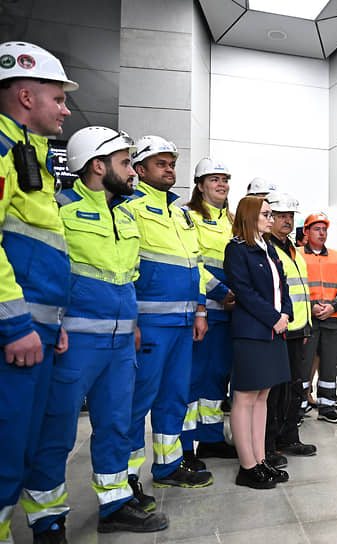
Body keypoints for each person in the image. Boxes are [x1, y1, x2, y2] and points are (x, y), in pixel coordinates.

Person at [24, 127, 169, 537]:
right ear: (97, 166)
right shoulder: (60, 209)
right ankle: (47, 519)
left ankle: (115, 502)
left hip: (122, 343)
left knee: (117, 424)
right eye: (125, 163)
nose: (132, 171)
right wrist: (54, 323)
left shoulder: (125, 212)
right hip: (75, 341)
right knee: (58, 431)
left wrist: (135, 325)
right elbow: (45, 272)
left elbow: (128, 277)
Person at [0, 41, 74, 543]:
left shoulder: (35, 158)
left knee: (44, 436)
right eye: (59, 98)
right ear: (26, 96)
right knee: (6, 444)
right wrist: (16, 323)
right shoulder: (3, 150)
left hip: (43, 330)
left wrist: (55, 323)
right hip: (17, 333)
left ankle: (46, 521)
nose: (66, 109)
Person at [125, 135, 212, 497]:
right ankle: (125, 474)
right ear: (140, 169)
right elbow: (124, 267)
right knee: (136, 401)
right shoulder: (128, 209)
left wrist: (202, 308)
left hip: (183, 323)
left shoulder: (181, 214)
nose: (169, 169)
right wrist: (130, 322)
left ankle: (168, 465)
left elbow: (196, 265)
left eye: (171, 163)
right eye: (161, 163)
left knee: (174, 396)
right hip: (149, 324)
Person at [223, 196, 292, 488]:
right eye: (266, 214)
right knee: (245, 398)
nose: (271, 219)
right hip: (252, 331)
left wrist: (286, 313)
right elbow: (244, 291)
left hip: (274, 331)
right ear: (250, 215)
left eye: (271, 214)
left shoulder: (270, 250)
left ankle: (260, 459)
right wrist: (273, 317)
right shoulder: (237, 249)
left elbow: (283, 285)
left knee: (263, 396)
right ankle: (247, 466)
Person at [181, 158, 238, 465]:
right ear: (200, 185)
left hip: (229, 314)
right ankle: (186, 446)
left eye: (225, 179)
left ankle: (212, 439)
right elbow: (192, 262)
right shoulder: (187, 216)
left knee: (217, 380)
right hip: (202, 311)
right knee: (193, 379)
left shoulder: (232, 221)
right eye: (213, 179)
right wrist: (220, 290)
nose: (220, 184)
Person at [266, 192, 317, 459]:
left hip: (298, 329)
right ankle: (270, 442)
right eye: (281, 216)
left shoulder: (292, 250)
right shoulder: (266, 249)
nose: (287, 221)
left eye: (290, 216)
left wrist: (306, 327)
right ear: (269, 217)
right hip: (279, 329)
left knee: (296, 387)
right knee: (276, 390)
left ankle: (289, 437)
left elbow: (301, 292)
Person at [302, 212, 337, 424]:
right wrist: (311, 307)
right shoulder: (297, 256)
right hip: (308, 319)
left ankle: (327, 407)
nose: (322, 233)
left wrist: (333, 306)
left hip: (333, 318)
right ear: (306, 232)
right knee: (303, 365)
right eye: (316, 229)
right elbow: (294, 287)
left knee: (330, 365)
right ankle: (298, 407)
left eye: (324, 229)